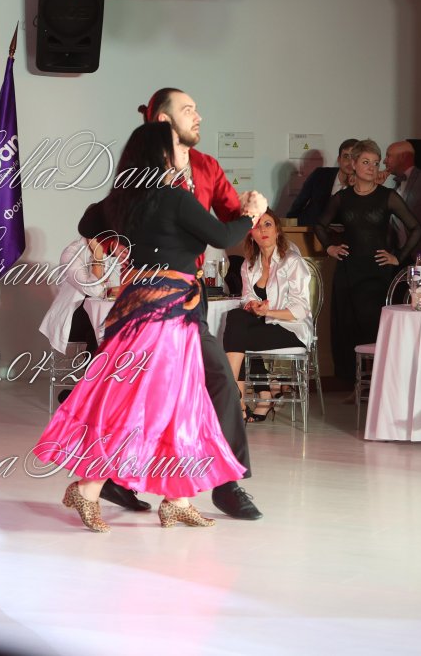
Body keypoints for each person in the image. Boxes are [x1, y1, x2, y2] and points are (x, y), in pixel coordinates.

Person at [36, 122, 263, 532]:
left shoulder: (125, 199)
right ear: (161, 155)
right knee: (146, 400)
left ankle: (177, 498)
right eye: (177, 145)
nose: (184, 150)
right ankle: (88, 487)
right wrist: (251, 214)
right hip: (165, 312)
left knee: (176, 399)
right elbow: (222, 234)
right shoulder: (174, 197)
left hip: (142, 307)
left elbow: (88, 225)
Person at [128, 87, 262, 520]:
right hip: (151, 297)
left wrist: (251, 213)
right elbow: (110, 222)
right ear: (163, 120)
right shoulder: (142, 170)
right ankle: (113, 478)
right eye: (188, 110)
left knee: (219, 378)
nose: (198, 116)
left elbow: (230, 223)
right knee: (139, 388)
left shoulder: (205, 166)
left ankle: (226, 483)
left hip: (190, 297)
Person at [316, 139, 421, 385]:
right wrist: (330, 247)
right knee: (347, 327)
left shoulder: (388, 196)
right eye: (366, 162)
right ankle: (355, 386)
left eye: (375, 163)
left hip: (377, 273)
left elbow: (417, 228)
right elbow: (320, 225)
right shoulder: (342, 198)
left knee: (373, 328)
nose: (371, 168)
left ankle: (378, 385)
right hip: (348, 271)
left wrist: (398, 256)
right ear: (353, 164)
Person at [223, 212, 312, 422]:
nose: (262, 230)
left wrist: (268, 312)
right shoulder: (249, 264)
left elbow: (301, 308)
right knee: (236, 317)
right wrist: (252, 305)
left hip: (292, 329)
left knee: (235, 337)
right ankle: (243, 400)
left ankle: (238, 397)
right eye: (257, 226)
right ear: (251, 234)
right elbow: (247, 297)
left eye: (268, 224)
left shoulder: (292, 261)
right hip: (263, 326)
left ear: (277, 230)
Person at [38, 237, 110, 405]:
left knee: (112, 327)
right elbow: (95, 290)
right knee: (99, 329)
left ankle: (89, 393)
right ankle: (90, 394)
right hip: (71, 320)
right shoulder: (71, 254)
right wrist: (98, 257)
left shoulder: (111, 252)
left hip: (96, 318)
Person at [383, 140, 421, 264]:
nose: (384, 161)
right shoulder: (394, 188)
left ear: (402, 157)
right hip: (399, 258)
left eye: (388, 156)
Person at [287, 139, 360, 226]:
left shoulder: (362, 185)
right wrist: (289, 227)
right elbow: (298, 204)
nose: (350, 162)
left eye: (354, 157)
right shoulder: (320, 174)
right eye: (346, 156)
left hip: (343, 232)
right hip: (310, 229)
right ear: (339, 159)